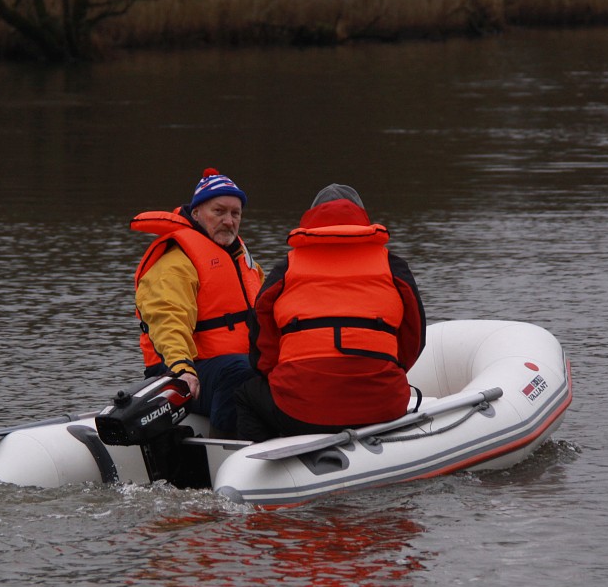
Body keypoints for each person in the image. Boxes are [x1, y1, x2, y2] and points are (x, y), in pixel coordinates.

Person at [235, 184, 426, 442]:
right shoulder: (394, 266)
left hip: (300, 409)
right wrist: (386, 370)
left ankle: (263, 459)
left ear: (311, 218)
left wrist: (282, 378)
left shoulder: (286, 268)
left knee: (245, 395)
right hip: (382, 406)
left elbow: (261, 340)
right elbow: (414, 338)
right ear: (362, 218)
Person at [131, 168, 264, 437]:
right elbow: (168, 321)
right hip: (180, 372)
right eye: (219, 211)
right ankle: (228, 448)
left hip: (232, 365)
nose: (228, 221)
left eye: (235, 213)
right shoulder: (176, 264)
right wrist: (182, 368)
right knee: (240, 372)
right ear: (196, 213)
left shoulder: (243, 261)